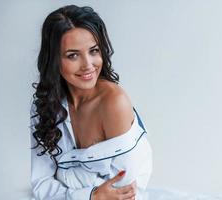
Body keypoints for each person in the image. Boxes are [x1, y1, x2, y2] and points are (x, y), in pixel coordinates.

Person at [30, 5, 152, 200]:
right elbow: (41, 184)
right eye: (73, 55)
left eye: (93, 51)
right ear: (53, 60)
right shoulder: (47, 105)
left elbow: (123, 192)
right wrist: (91, 195)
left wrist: (66, 180)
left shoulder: (113, 103)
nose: (88, 65)